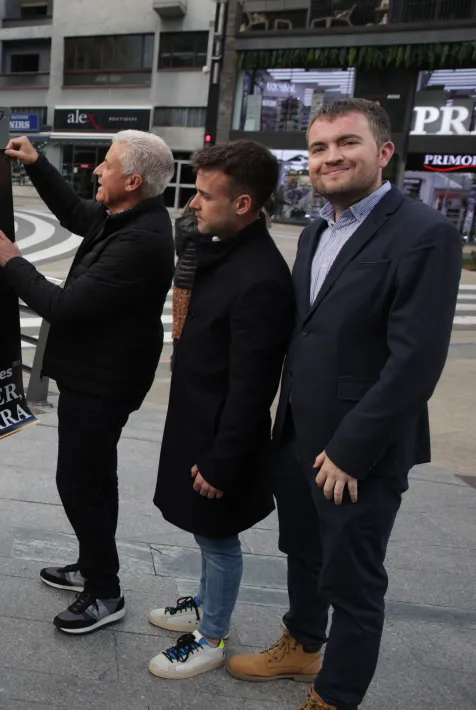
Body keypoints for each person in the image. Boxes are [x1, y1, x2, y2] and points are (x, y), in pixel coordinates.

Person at [225, 99, 462, 710]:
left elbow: (415, 361)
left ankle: (336, 695)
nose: (331, 158)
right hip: (300, 433)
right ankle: (303, 644)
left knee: (354, 581)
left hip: (362, 449)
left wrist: (353, 450)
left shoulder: (425, 234)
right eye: (319, 148)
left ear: (383, 153)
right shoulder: (315, 229)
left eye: (346, 144)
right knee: (303, 553)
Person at [0, 131, 175, 635]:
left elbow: (62, 307)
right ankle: (92, 565)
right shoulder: (128, 215)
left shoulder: (140, 241)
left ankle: (105, 592)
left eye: (106, 166)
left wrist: (12, 261)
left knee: (80, 481)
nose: (96, 172)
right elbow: (75, 213)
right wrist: (37, 164)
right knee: (92, 476)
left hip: (104, 381)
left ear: (132, 180)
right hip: (99, 371)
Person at [145, 141, 294, 680]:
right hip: (196, 418)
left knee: (217, 537)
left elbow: (254, 386)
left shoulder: (261, 278)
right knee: (201, 526)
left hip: (219, 435)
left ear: (244, 204)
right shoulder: (222, 248)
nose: (193, 206)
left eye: (206, 197)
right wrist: (193, 248)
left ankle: (211, 635)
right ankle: (204, 603)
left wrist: (222, 461)